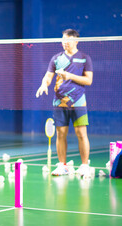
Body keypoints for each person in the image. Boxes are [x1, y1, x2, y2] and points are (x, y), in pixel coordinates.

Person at [36, 29, 93, 176]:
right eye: (63, 39)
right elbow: (48, 77)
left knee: (81, 134)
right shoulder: (56, 58)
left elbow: (88, 80)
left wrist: (70, 76)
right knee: (60, 134)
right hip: (59, 103)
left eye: (67, 40)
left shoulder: (85, 58)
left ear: (76, 41)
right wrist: (44, 84)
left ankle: (85, 166)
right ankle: (62, 165)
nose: (64, 42)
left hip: (79, 102)